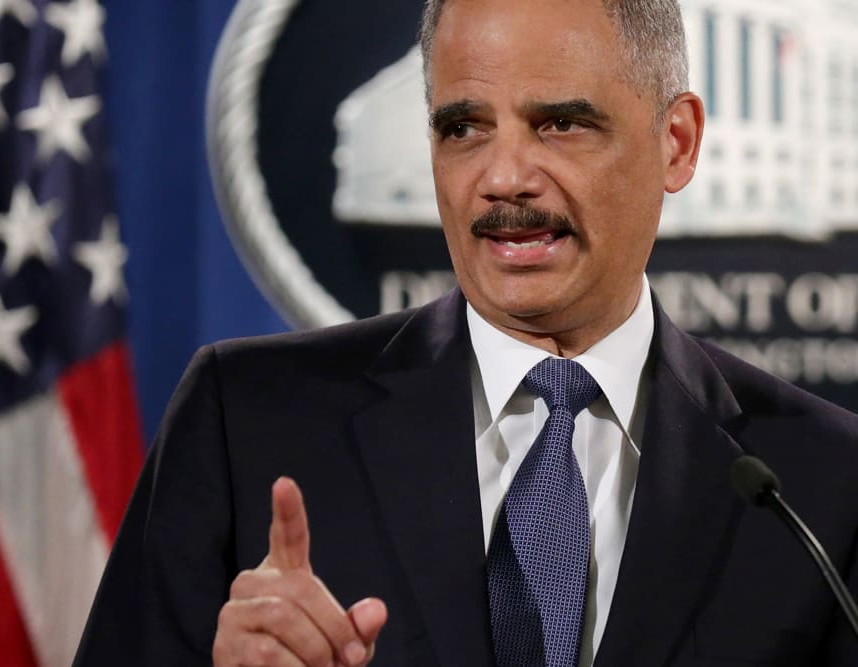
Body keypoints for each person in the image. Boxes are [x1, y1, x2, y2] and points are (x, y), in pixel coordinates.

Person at [75, 0, 858, 665]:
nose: (502, 176)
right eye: (463, 128)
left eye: (559, 124)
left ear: (676, 142)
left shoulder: (823, 481)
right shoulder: (244, 421)